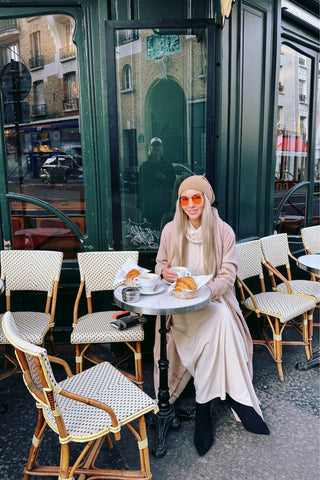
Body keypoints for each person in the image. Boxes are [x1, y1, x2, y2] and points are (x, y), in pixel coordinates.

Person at [154, 175, 270, 456]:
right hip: (179, 307)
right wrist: (164, 273)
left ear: (206, 199)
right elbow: (159, 264)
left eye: (196, 198)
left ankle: (204, 408)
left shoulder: (223, 232)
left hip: (212, 301)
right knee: (221, 325)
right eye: (185, 199)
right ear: (180, 203)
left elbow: (227, 276)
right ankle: (237, 400)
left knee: (220, 317)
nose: (190, 204)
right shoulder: (171, 230)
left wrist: (204, 292)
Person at [139, 137, 176, 230]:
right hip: (148, 208)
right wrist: (139, 205)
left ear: (161, 149)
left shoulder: (168, 166)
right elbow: (140, 187)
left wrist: (164, 178)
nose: (156, 148)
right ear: (150, 148)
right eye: (153, 146)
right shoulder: (144, 167)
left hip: (163, 207)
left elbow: (173, 185)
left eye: (158, 146)